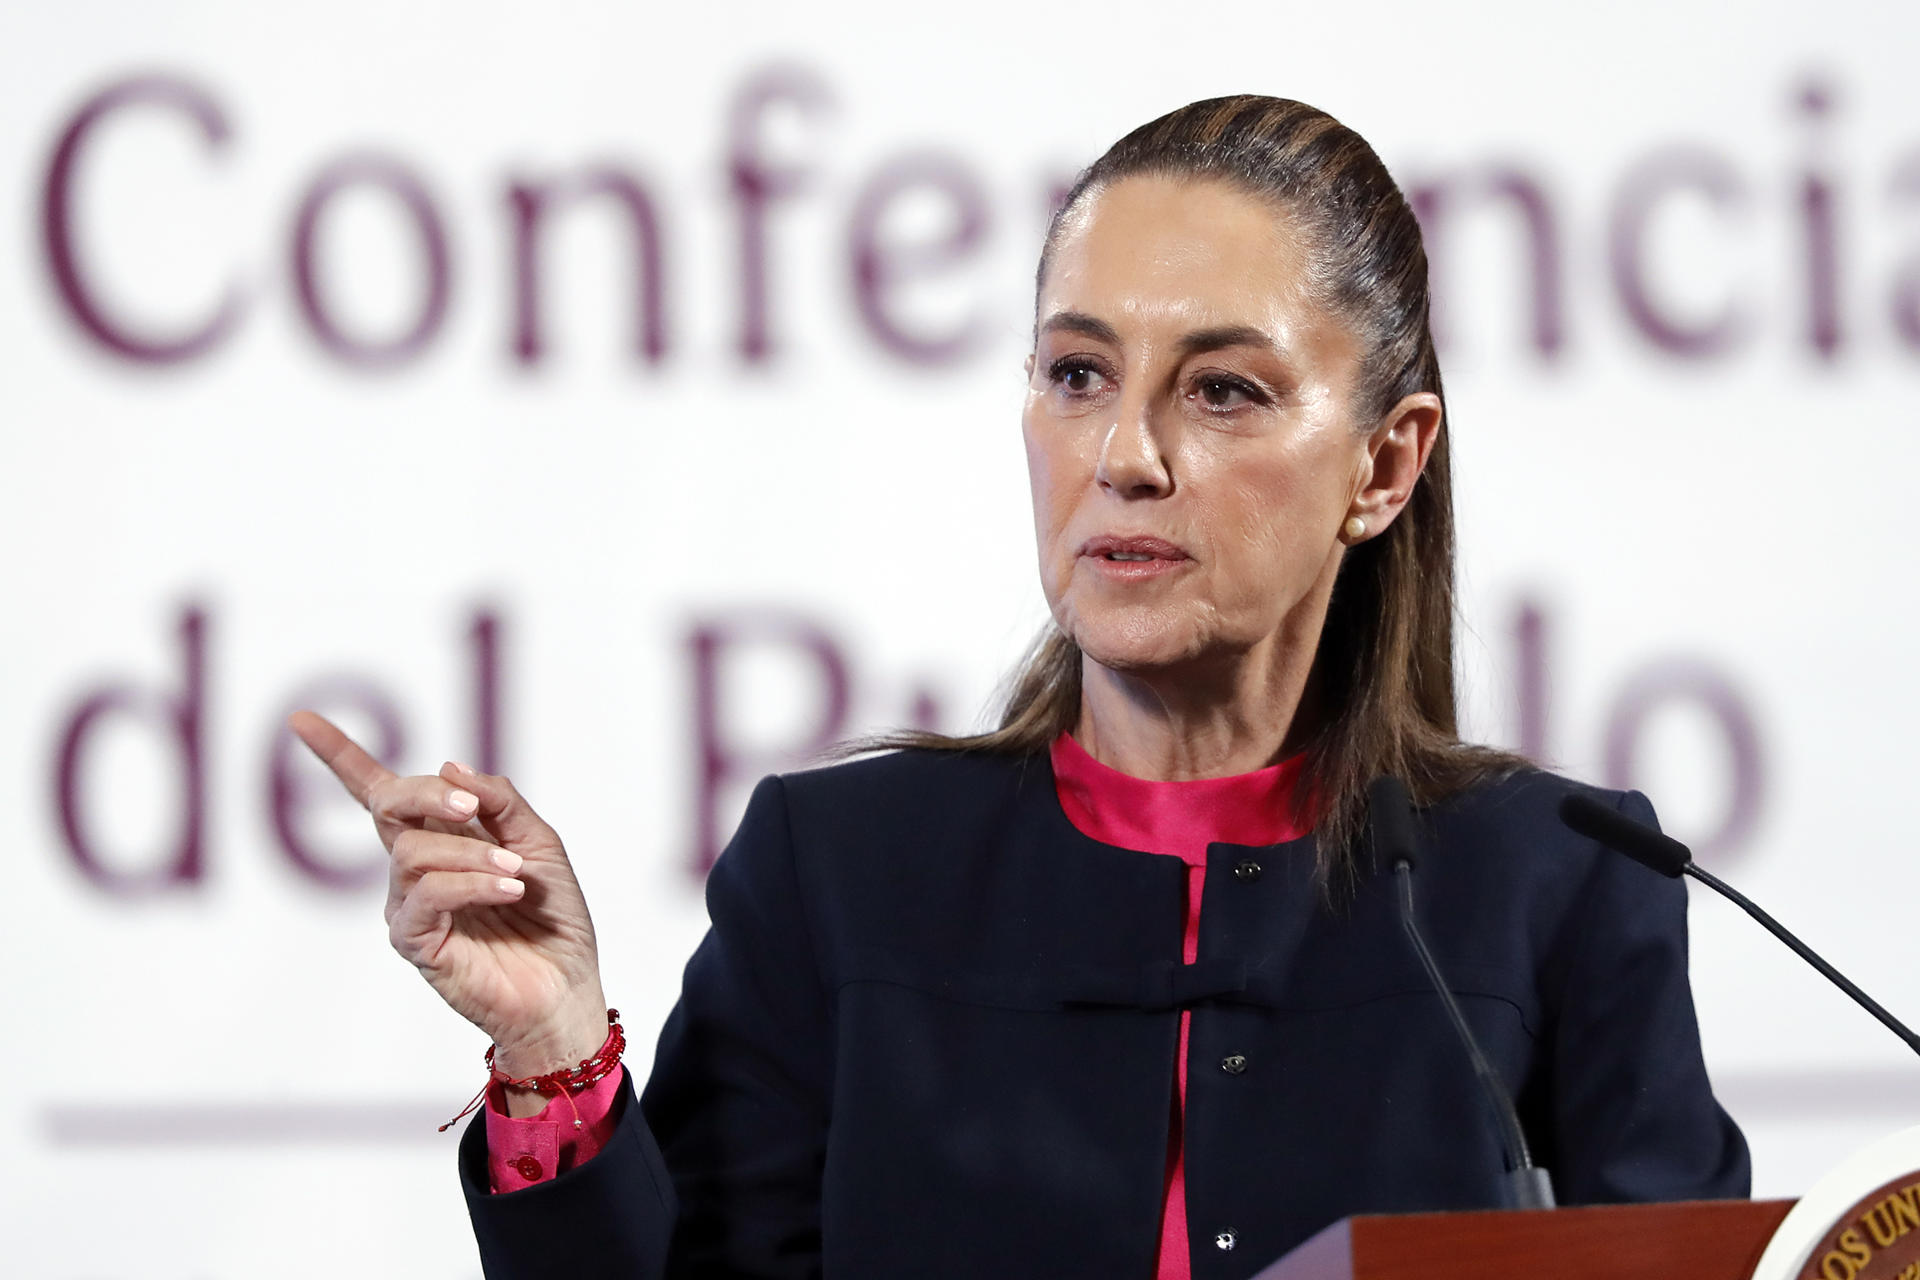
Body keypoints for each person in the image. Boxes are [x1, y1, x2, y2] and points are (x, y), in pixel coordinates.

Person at [292, 95, 1749, 1279]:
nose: (1126, 454)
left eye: (1222, 389)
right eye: (1076, 374)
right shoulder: (841, 873)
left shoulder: (1555, 886)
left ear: (1384, 463)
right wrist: (551, 1047)